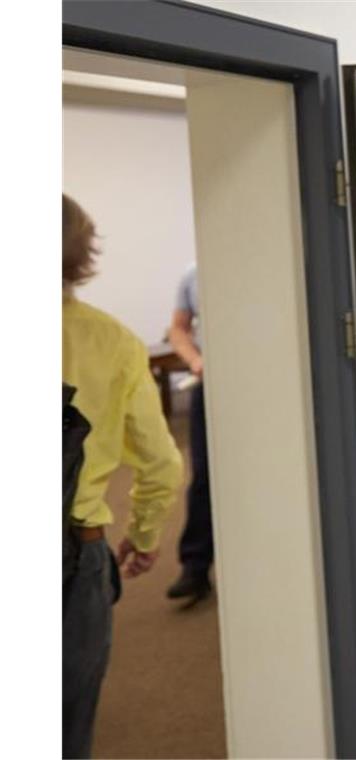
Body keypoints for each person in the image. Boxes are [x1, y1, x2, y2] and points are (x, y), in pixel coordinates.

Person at [62, 194, 183, 759]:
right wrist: (145, 531)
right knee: (68, 721)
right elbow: (160, 461)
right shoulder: (113, 342)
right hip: (72, 556)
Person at [165, 264, 214, 601]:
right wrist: (194, 359)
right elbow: (178, 330)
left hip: (259, 382)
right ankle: (195, 568)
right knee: (204, 476)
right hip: (207, 383)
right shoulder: (192, 278)